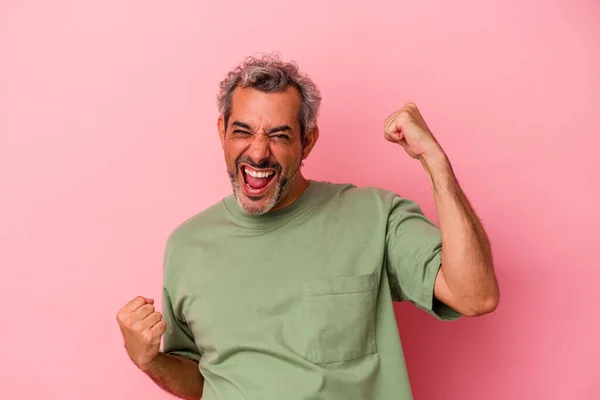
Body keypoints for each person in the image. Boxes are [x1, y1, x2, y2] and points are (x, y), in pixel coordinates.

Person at [116, 54, 500, 400]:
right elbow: (201, 380)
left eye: (279, 135)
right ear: (222, 132)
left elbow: (475, 296)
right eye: (243, 131)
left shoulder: (374, 215)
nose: (258, 151)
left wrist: (434, 161)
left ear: (308, 141)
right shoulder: (187, 245)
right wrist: (150, 361)